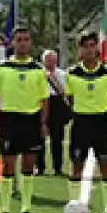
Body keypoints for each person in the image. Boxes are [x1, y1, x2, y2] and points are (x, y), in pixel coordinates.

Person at [0, 26, 50, 213]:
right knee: (6, 165)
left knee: (28, 165)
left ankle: (26, 208)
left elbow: (44, 98)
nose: (22, 43)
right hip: (9, 119)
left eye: (26, 39)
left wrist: (43, 122)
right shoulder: (2, 67)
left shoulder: (38, 69)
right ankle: (4, 209)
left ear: (30, 43)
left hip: (31, 119)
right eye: (19, 39)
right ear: (12, 43)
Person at [65, 32, 107, 213]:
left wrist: (101, 110)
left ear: (97, 47)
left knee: (106, 165)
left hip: (100, 123)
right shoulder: (72, 73)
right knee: (76, 166)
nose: (89, 50)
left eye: (92, 45)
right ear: (80, 49)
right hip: (80, 123)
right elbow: (70, 98)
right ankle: (73, 208)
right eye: (85, 46)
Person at [40, 49, 69, 177]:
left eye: (52, 60)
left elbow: (64, 92)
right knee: (39, 137)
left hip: (56, 105)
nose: (50, 62)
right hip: (41, 103)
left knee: (57, 138)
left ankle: (57, 167)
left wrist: (53, 78)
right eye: (48, 60)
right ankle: (39, 167)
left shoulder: (62, 74)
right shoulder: (37, 73)